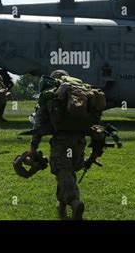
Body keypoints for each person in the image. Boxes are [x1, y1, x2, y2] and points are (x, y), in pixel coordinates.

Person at [28, 70, 87, 220]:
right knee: (68, 173)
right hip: (80, 141)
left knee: (62, 171)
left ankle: (75, 202)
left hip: (62, 141)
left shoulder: (50, 94)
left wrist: (33, 148)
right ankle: (62, 210)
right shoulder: (79, 92)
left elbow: (38, 125)